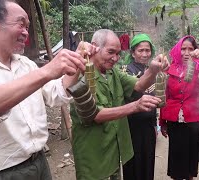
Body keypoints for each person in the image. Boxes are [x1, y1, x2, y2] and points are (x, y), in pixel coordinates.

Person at [0, 0, 98, 179]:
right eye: (21, 24)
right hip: (0, 174)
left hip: (39, 163)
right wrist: (47, 71)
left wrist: (77, 61)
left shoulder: (25, 64)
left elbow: (56, 93)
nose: (26, 33)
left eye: (28, 27)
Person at [70, 29, 169, 180]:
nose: (115, 58)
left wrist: (154, 69)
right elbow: (95, 114)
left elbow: (139, 85)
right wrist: (135, 106)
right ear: (95, 47)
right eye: (111, 52)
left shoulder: (112, 72)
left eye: (118, 54)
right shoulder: (80, 75)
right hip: (94, 155)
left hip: (113, 152)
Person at [159, 35, 199, 180]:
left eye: (190, 49)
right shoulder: (170, 69)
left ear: (195, 51)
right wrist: (162, 122)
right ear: (178, 50)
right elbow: (164, 96)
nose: (186, 52)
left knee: (191, 156)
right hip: (174, 119)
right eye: (183, 49)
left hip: (194, 119)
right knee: (176, 156)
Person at [122, 33, 157, 180]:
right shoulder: (126, 71)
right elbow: (134, 93)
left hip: (148, 126)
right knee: (133, 165)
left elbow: (155, 99)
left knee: (148, 163)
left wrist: (155, 125)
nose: (144, 54)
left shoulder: (152, 69)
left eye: (147, 50)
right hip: (132, 127)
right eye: (140, 50)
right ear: (132, 52)